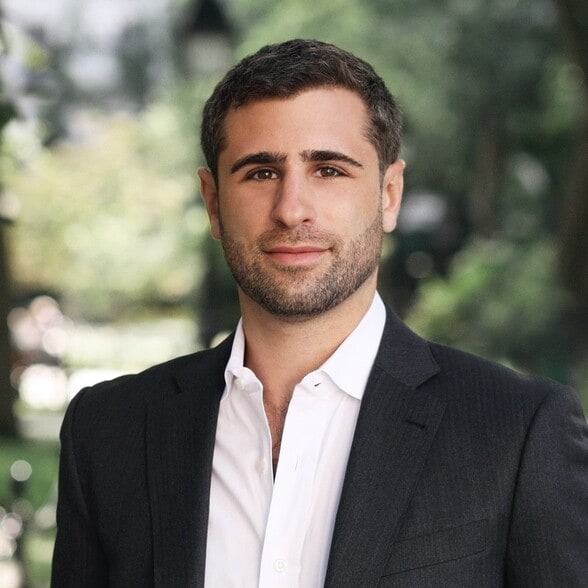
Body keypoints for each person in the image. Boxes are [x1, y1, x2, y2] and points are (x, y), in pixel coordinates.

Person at [51, 39, 587, 587]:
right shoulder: (108, 432)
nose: (291, 210)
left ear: (389, 194)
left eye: (328, 170)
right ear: (213, 202)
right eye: (261, 172)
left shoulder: (518, 433)